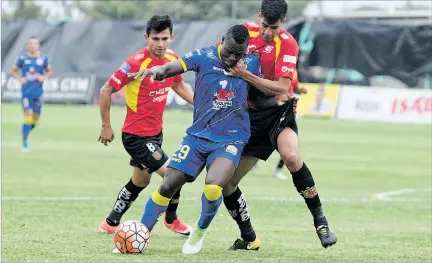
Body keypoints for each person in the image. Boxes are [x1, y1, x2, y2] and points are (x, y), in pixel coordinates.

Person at [130, 24, 260, 255]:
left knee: (213, 186)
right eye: (229, 51)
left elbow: (263, 94)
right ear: (222, 41)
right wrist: (156, 72)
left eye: (239, 53)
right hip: (198, 136)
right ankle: (140, 236)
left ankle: (198, 234)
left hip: (231, 139)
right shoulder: (203, 56)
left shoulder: (250, 64)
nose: (233, 57)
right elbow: (174, 67)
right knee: (169, 184)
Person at [221, 0, 337, 250]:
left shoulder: (288, 43)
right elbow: (223, 59)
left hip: (277, 114)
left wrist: (246, 75)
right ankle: (249, 238)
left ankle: (321, 221)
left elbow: (283, 87)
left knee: (291, 156)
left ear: (282, 22)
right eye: (264, 25)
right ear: (259, 16)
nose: (267, 32)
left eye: (273, 28)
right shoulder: (242, 32)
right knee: (226, 184)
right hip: (248, 117)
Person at [97, 15, 194, 237]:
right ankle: (171, 219)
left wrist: (199, 104)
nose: (160, 44)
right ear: (146, 37)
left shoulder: (172, 59)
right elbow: (106, 90)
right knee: (175, 175)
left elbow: (178, 86)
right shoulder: (134, 63)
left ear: (171, 37)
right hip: (136, 137)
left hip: (155, 134)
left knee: (140, 180)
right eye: (155, 38)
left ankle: (111, 221)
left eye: (164, 38)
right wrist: (106, 126)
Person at [11, 36, 52, 152]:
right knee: (28, 115)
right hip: (26, 93)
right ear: (27, 45)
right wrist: (20, 79)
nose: (32, 45)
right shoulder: (22, 59)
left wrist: (43, 77)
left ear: (38, 45)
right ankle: (24, 142)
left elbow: (49, 71)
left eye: (34, 44)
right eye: (30, 43)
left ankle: (27, 130)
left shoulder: (43, 59)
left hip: (38, 93)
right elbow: (13, 70)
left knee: (35, 119)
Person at [273, 71, 307, 180]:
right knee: (267, 139)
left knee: (290, 145)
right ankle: (253, 164)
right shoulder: (280, 67)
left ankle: (278, 171)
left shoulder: (295, 71)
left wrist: (300, 90)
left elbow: (294, 88)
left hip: (290, 111)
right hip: (276, 109)